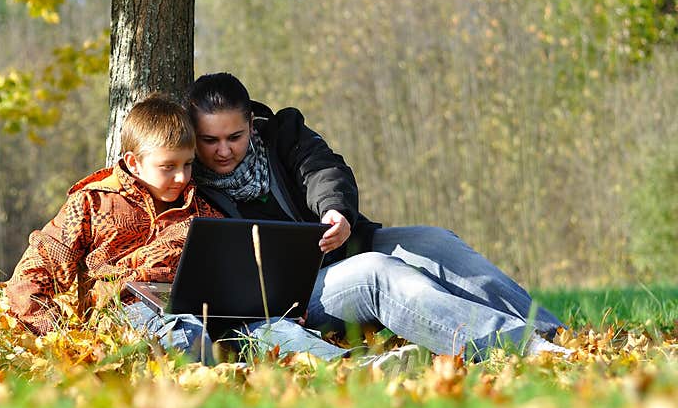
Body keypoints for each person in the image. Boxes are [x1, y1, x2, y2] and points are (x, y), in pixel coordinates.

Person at [186, 72, 573, 362]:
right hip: (295, 298)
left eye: (233, 137)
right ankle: (517, 347)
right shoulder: (187, 184)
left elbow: (322, 168)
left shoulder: (282, 132)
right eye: (210, 141)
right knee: (376, 271)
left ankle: (556, 335)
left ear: (251, 126)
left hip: (343, 245)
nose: (223, 151)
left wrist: (335, 211)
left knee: (435, 241)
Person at [2, 92, 342, 365]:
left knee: (274, 329)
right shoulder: (92, 203)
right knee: (184, 330)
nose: (181, 177)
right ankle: (213, 382)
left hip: (209, 313)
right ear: (134, 162)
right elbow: (33, 273)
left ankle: (350, 367)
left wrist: (271, 306)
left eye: (188, 164)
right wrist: (60, 337)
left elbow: (235, 278)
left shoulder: (202, 209)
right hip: (127, 309)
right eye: (168, 167)